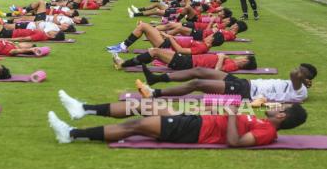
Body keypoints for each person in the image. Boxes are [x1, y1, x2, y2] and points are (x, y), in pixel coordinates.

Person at [47, 90, 307, 146]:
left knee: (135, 126)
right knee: (145, 104)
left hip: (193, 131)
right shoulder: (263, 121)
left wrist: (231, 116)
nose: (275, 105)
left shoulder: (267, 133)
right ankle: (85, 108)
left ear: (282, 116)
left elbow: (235, 142)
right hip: (194, 121)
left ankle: (70, 134)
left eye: (279, 106)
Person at [135, 64, 317, 103]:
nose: (297, 70)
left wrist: (303, 78)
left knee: (197, 83)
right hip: (245, 83)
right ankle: (156, 78)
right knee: (199, 70)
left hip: (245, 92)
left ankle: (154, 93)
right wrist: (304, 77)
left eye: (303, 71)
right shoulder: (298, 82)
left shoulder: (300, 90)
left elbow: (293, 74)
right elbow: (295, 73)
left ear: (306, 78)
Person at [107, 21, 224, 54]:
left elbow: (181, 50)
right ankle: (123, 45)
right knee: (143, 25)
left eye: (211, 36)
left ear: (213, 39)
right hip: (167, 41)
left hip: (165, 45)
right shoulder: (204, 44)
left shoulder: (202, 47)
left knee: (143, 26)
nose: (209, 36)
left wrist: (170, 37)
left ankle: (123, 46)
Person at [113, 51, 257, 72]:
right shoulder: (230, 61)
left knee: (155, 52)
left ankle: (123, 64)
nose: (239, 57)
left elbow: (217, 72)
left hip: (188, 64)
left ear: (244, 61)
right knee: (155, 53)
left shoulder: (233, 66)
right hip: (189, 60)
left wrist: (220, 57)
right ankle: (124, 63)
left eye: (242, 58)